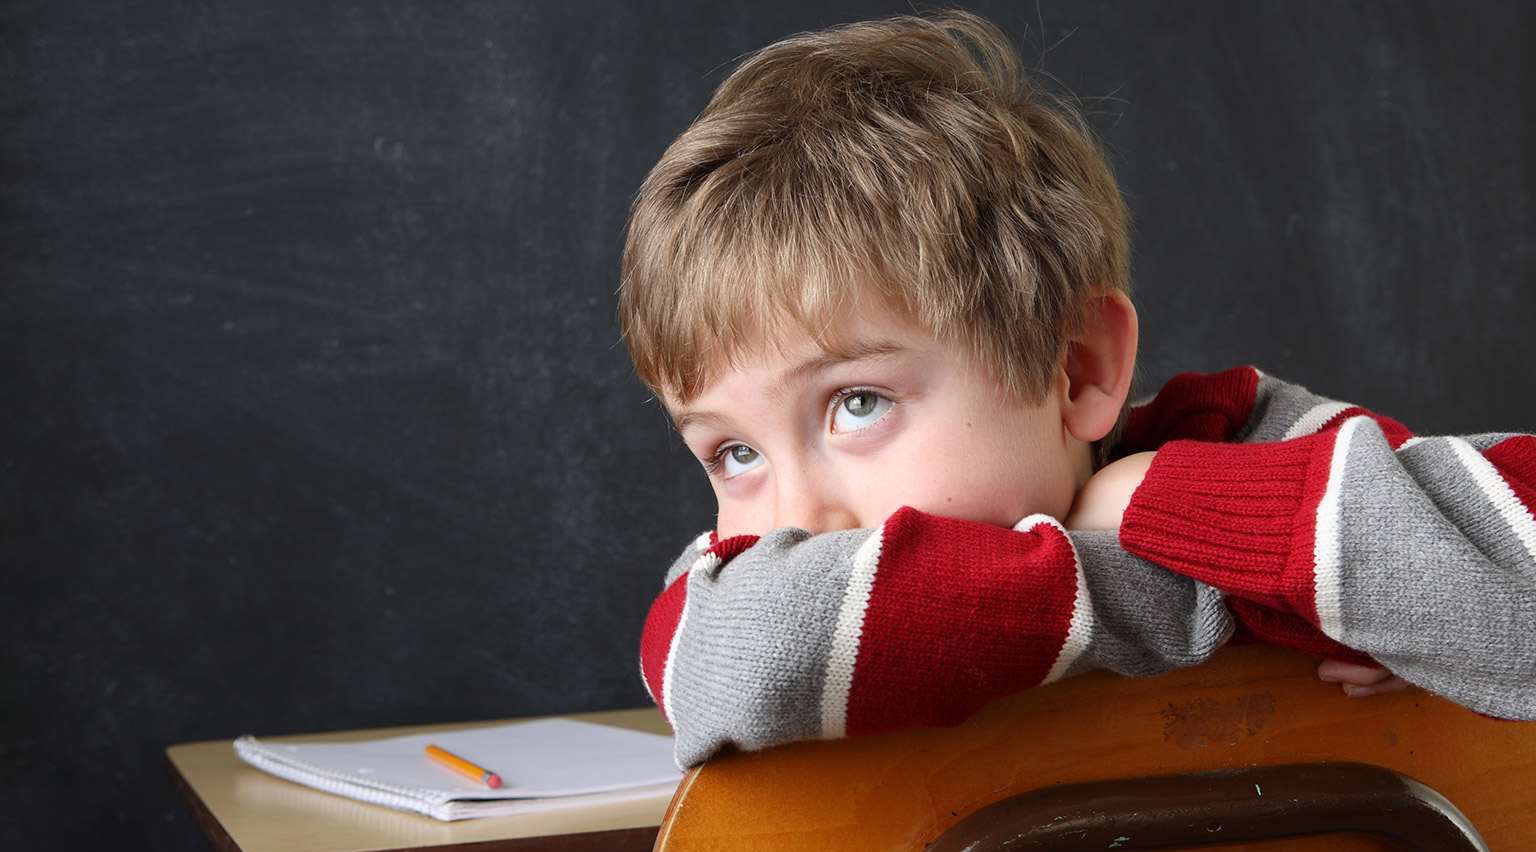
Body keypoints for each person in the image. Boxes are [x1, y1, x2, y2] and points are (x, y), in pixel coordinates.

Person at [617, 11, 1536, 768]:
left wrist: (1168, 503)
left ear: (1078, 369)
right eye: (733, 454)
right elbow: (735, 653)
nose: (792, 521)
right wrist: (1239, 589)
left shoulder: (1249, 448)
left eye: (858, 403)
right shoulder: (736, 591)